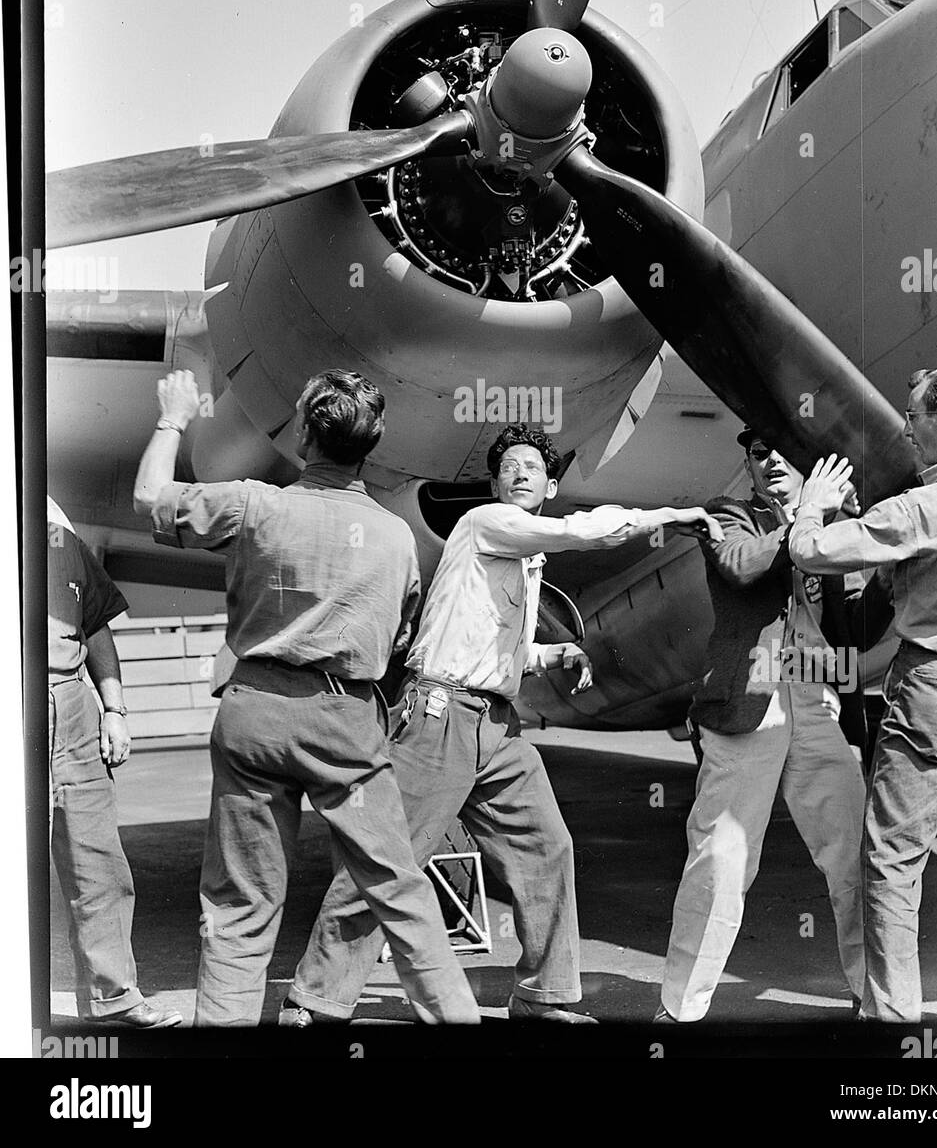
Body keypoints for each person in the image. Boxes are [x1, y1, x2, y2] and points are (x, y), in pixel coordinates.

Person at [281, 423, 723, 1025]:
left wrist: (550, 655)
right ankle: (315, 998)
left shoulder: (524, 557)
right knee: (390, 858)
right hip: (440, 716)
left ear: (550, 483)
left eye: (532, 467)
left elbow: (490, 647)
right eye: (508, 466)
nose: (519, 473)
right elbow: (577, 531)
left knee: (547, 847)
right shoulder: (486, 525)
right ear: (493, 484)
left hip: (498, 726)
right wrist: (667, 516)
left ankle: (544, 996)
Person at [133, 369, 479, 1027]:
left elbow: (152, 498)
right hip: (344, 718)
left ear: (302, 435)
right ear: (368, 447)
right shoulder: (396, 538)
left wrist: (173, 417)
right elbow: (401, 634)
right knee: (397, 889)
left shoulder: (254, 504)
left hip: (253, 712)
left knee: (241, 904)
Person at [655, 429, 892, 1023]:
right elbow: (742, 567)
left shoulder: (829, 526)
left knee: (856, 857)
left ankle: (876, 1000)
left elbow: (855, 622)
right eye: (759, 453)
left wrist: (878, 550)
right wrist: (806, 516)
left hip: (817, 700)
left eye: (782, 450)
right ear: (749, 466)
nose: (771, 461)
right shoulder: (728, 514)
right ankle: (679, 1012)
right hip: (748, 703)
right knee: (722, 861)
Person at [788, 367, 937, 1023]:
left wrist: (809, 508)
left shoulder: (920, 508)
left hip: (930, 690)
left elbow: (814, 553)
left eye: (911, 416)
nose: (903, 428)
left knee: (891, 861)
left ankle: (890, 1018)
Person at [47, 495, 182, 1029]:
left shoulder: (59, 533)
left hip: (74, 705)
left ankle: (115, 996)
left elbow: (95, 625)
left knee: (96, 860)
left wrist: (115, 709)